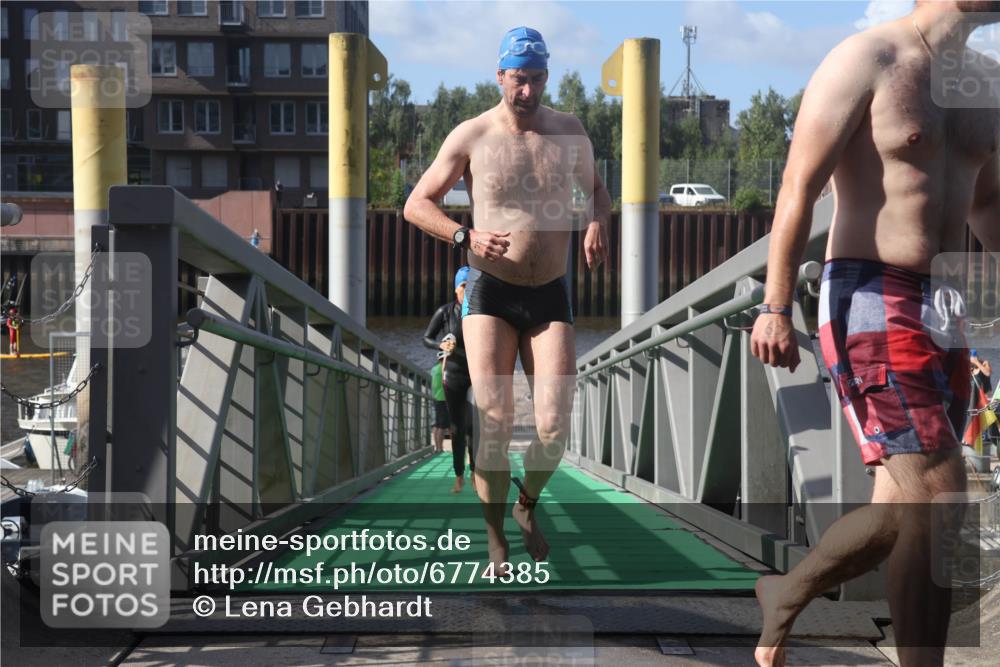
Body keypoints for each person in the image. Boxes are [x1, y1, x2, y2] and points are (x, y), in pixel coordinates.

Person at [749, 3, 998, 666]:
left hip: (944, 304)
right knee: (941, 489)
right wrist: (775, 305)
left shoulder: (986, 83)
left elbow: (991, 201)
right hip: (869, 293)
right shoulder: (868, 60)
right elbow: (799, 185)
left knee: (901, 506)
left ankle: (787, 590)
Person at [404, 26, 610, 573]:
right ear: (500, 76)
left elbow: (596, 191)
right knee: (493, 418)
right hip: (489, 289)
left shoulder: (568, 132)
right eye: (519, 80)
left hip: (551, 293)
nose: (528, 91)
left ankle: (526, 506)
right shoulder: (472, 135)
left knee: (553, 425)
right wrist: (464, 236)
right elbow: (417, 204)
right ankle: (496, 537)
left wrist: (596, 223)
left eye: (538, 79)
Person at [423, 267, 475, 492]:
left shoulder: (480, 314)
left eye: (471, 286)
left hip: (476, 374)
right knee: (457, 428)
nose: (468, 290)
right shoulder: (445, 312)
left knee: (474, 427)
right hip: (452, 373)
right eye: (464, 286)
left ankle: (475, 474)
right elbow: (426, 338)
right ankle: (459, 476)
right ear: (456, 289)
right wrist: (440, 345)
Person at [429, 360, 448, 454]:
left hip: (435, 397)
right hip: (443, 397)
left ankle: (437, 447)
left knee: (436, 424)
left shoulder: (434, 369)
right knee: (442, 425)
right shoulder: (443, 369)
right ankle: (440, 448)